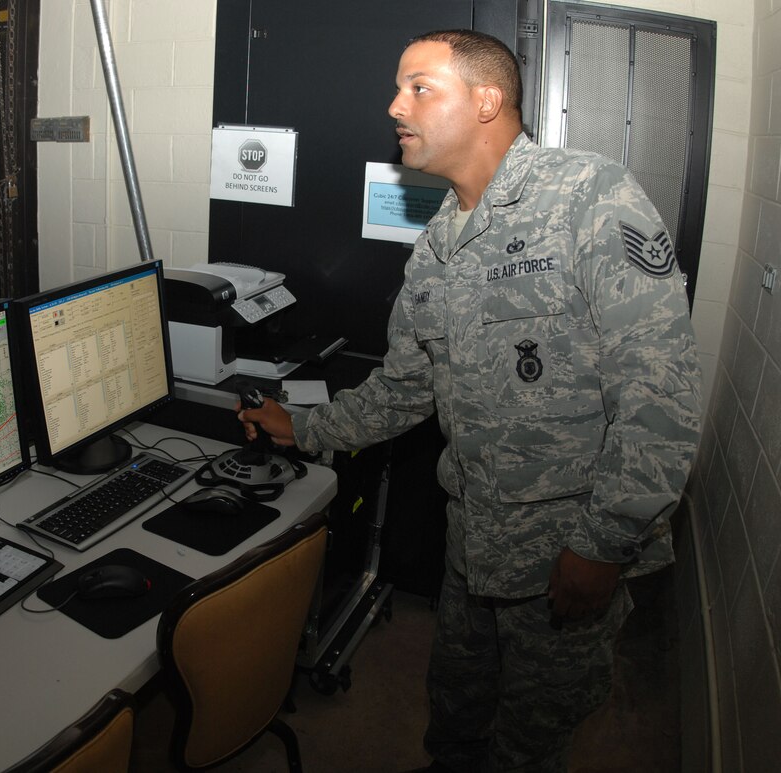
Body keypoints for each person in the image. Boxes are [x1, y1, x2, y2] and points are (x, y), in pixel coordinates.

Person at [238, 29, 701, 773]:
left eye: (419, 87)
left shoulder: (590, 197)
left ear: (486, 101)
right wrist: (307, 428)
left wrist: (601, 543)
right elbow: (406, 386)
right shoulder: (438, 243)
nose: (395, 105)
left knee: (531, 738)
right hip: (474, 541)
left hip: (564, 549)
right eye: (399, 87)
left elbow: (662, 396)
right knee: (455, 711)